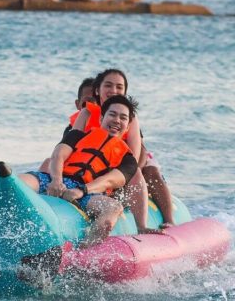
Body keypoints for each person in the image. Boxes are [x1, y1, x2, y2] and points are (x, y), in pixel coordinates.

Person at [20, 94, 140, 246]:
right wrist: (56, 180)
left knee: (113, 208)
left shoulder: (128, 159)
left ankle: (84, 253)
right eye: (112, 114)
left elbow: (109, 180)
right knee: (18, 181)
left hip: (90, 193)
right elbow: (58, 155)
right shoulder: (78, 135)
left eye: (123, 118)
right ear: (101, 118)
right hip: (56, 180)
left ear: (128, 126)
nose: (117, 120)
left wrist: (82, 190)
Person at [71, 69, 176, 232]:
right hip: (97, 161)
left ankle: (168, 220)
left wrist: (118, 178)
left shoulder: (128, 116)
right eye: (108, 85)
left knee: (149, 171)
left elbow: (135, 155)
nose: (113, 91)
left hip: (129, 161)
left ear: (125, 92)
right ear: (97, 90)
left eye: (119, 87)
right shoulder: (87, 113)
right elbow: (70, 145)